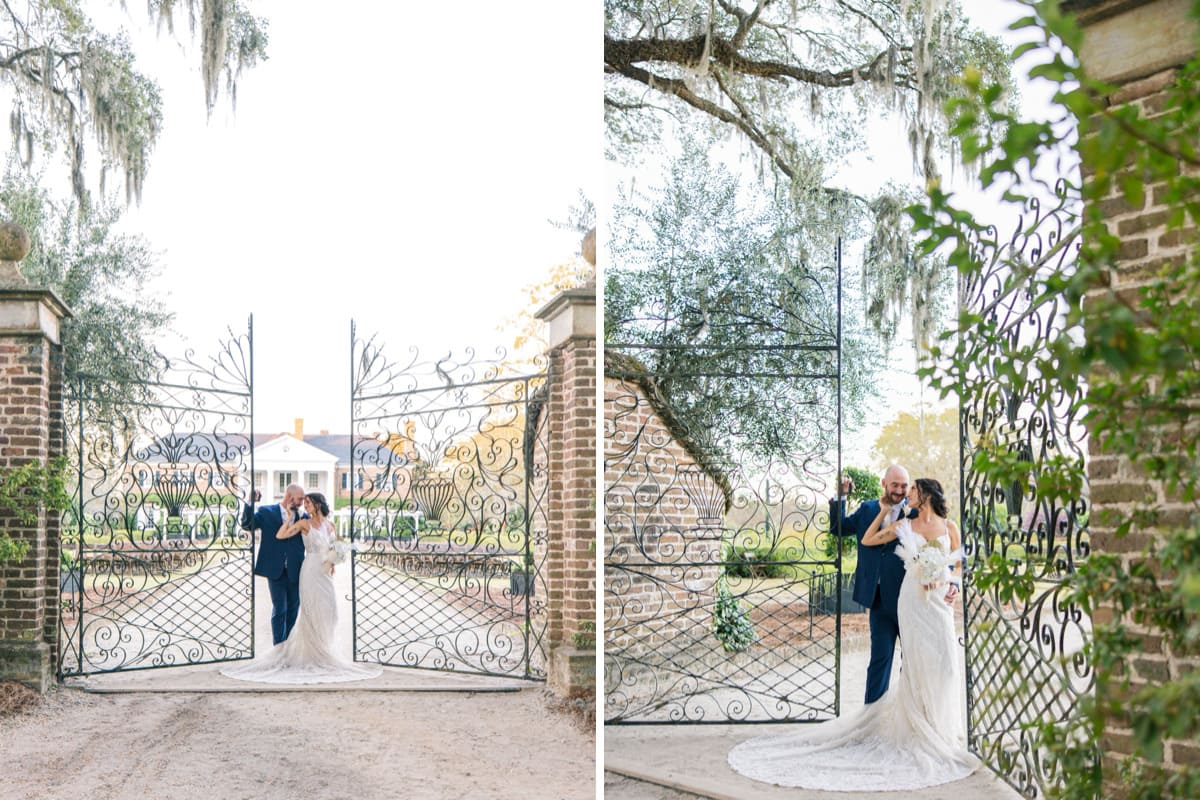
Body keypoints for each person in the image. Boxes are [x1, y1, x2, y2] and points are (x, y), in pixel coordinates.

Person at [728, 477, 977, 791]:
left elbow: (957, 564)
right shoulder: (904, 524)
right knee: (912, 664)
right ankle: (917, 728)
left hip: (938, 604)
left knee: (946, 664)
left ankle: (942, 727)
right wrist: (881, 511)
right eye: (905, 487)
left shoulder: (950, 526)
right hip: (911, 601)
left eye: (912, 489)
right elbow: (869, 539)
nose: (908, 493)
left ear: (925, 495)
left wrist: (953, 584)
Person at [828, 464, 958, 705]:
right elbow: (838, 529)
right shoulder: (867, 509)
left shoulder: (915, 515)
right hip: (878, 598)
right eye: (895, 485)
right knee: (880, 658)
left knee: (912, 660)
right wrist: (841, 496)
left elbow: (942, 553)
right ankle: (872, 715)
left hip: (913, 598)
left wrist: (952, 583)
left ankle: (906, 713)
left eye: (904, 486)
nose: (900, 490)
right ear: (884, 484)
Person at [222, 492, 381, 684]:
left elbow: (334, 547)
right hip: (309, 571)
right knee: (306, 611)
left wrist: (334, 560)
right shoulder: (304, 523)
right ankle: (289, 651)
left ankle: (326, 649)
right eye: (302, 501)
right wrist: (289, 518)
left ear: (317, 504)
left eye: (307, 502)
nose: (304, 506)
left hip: (324, 574)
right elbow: (280, 535)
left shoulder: (331, 525)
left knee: (331, 612)